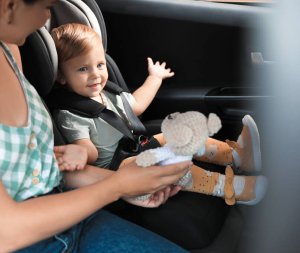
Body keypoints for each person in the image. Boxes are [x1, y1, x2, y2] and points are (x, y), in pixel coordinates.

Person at [0, 1, 192, 252]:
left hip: (64, 216)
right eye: (47, 6)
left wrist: (136, 185)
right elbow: (1, 231)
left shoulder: (8, 50)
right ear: (9, 6)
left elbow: (38, 172)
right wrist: (117, 186)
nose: (47, 18)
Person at [51, 23, 267, 205]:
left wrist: (154, 78)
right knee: (172, 166)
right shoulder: (70, 115)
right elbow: (89, 152)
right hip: (119, 171)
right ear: (61, 76)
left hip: (136, 148)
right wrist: (80, 153)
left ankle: (237, 156)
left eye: (99, 65)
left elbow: (135, 105)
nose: (95, 74)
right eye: (82, 69)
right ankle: (233, 189)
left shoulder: (105, 93)